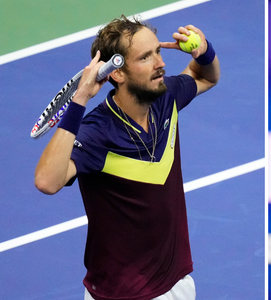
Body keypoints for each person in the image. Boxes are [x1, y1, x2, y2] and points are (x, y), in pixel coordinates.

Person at [34, 15, 219, 300]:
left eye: (158, 51)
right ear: (117, 73)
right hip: (122, 293)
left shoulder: (165, 98)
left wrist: (204, 51)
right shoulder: (97, 133)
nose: (161, 63)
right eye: (146, 57)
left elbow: (205, 76)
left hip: (176, 283)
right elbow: (47, 181)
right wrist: (79, 100)